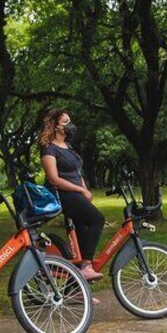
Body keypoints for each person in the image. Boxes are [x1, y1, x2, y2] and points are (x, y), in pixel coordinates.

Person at [40, 109, 105, 282]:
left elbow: (77, 172)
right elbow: (54, 179)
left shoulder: (69, 147)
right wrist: (80, 191)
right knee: (97, 219)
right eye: (65, 122)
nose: (70, 125)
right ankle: (86, 265)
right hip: (62, 194)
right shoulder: (49, 149)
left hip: (76, 193)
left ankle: (76, 288)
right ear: (55, 126)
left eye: (70, 120)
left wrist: (84, 189)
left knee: (83, 229)